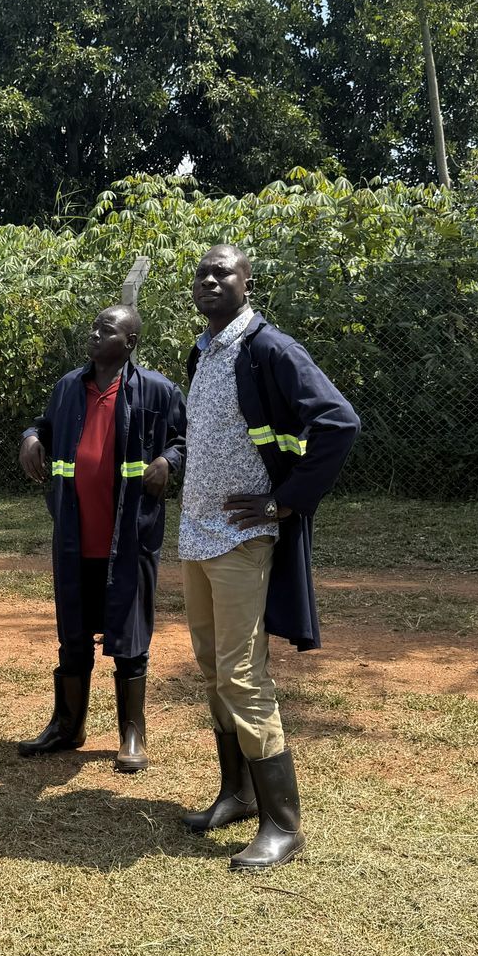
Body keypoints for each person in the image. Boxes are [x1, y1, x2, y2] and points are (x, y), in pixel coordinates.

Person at [177, 245, 358, 871]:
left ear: (246, 282)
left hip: (241, 538)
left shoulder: (269, 348)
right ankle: (237, 793)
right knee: (210, 666)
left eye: (222, 271)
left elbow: (339, 422)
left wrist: (285, 503)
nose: (209, 280)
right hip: (195, 533)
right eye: (201, 273)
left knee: (241, 672)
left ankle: (283, 823)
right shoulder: (203, 350)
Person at [17, 304, 185, 772]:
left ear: (129, 342)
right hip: (74, 535)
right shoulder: (69, 387)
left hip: (129, 538)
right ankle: (67, 725)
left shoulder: (157, 389)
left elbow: (183, 439)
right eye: (92, 326)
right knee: (73, 633)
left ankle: (132, 734)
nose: (94, 334)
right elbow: (44, 427)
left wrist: (168, 461)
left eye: (105, 329)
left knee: (129, 636)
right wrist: (31, 438)